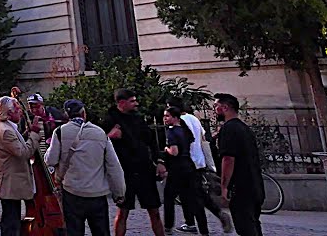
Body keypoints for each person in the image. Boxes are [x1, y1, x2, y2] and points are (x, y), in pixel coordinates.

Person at [45, 99, 124, 236]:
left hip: (72, 192)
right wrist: (119, 193)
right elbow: (114, 166)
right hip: (97, 194)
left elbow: (50, 160)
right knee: (101, 231)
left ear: (66, 114)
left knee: (74, 231)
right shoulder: (100, 133)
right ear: (84, 113)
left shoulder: (60, 132)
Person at [99, 88, 164, 236]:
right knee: (123, 212)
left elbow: (151, 141)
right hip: (124, 172)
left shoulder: (138, 118)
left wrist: (159, 161)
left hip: (144, 170)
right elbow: (98, 144)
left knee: (154, 211)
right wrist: (110, 136)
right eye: (132, 101)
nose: (136, 104)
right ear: (122, 103)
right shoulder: (109, 119)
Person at [170, 102, 233, 235]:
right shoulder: (193, 118)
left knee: (193, 196)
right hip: (198, 161)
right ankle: (193, 222)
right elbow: (204, 139)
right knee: (192, 194)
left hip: (187, 161)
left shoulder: (179, 123)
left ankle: (199, 224)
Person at [214, 93, 263, 236]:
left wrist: (224, 187)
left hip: (241, 187)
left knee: (246, 227)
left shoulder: (229, 129)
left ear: (225, 107)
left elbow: (228, 159)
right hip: (255, 185)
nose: (214, 110)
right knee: (253, 224)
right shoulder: (244, 128)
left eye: (216, 106)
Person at [0, 95, 36, 236]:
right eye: (17, 110)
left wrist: (26, 134)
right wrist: (34, 135)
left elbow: (16, 145)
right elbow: (23, 152)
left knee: (12, 218)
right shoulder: (5, 131)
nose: (20, 112)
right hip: (8, 183)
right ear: (9, 113)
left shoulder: (8, 127)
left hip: (10, 182)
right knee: (11, 222)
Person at [161, 106, 208, 236]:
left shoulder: (172, 132)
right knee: (194, 199)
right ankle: (204, 230)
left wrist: (166, 149)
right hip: (189, 166)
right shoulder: (185, 130)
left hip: (177, 168)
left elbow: (174, 152)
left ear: (175, 117)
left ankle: (168, 226)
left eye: (167, 116)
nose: (165, 119)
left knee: (169, 197)